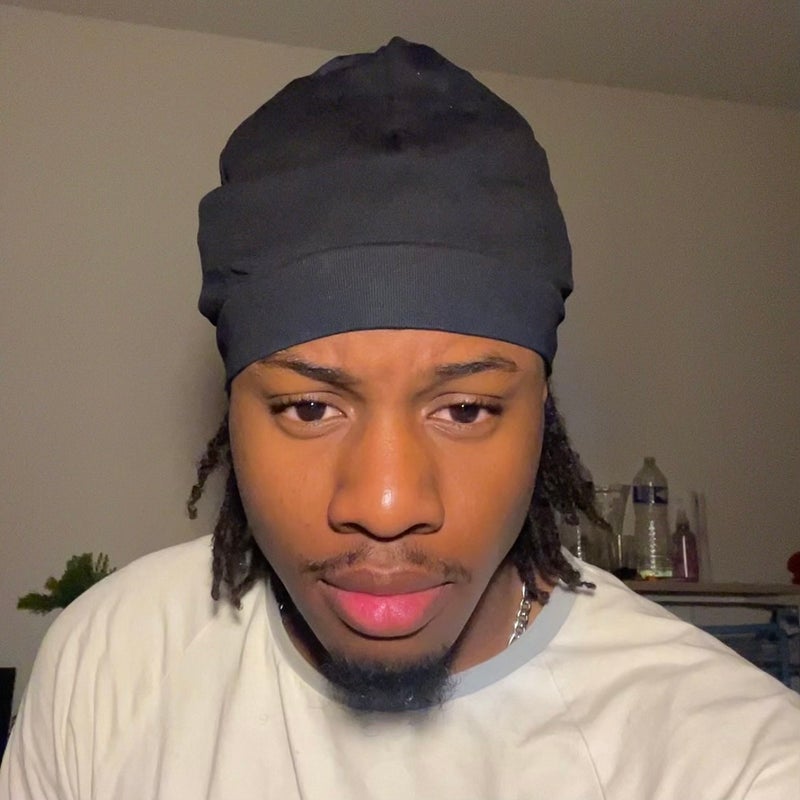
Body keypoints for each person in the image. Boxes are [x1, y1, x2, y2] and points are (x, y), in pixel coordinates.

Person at [2, 37, 798, 800]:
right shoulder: (110, 665)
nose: (386, 506)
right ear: (232, 412)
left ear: (542, 419)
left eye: (465, 409)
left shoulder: (733, 760)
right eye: (310, 407)